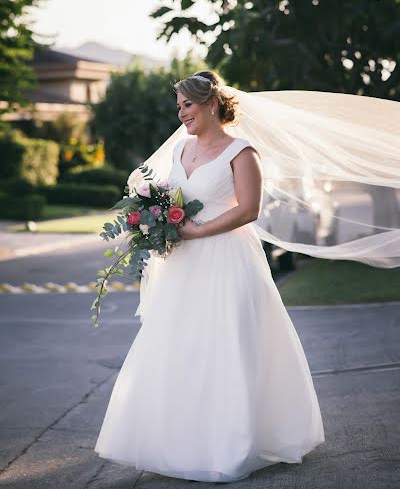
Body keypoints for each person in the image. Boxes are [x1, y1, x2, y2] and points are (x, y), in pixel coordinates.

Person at [94, 70, 325, 482]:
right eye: (179, 106)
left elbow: (249, 209)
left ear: (212, 103)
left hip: (226, 257)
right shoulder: (181, 148)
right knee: (180, 346)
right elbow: (164, 195)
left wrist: (199, 230)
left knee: (226, 345)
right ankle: (179, 443)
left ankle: (231, 444)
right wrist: (153, 220)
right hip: (182, 263)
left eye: (188, 105)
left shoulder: (242, 151)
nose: (182, 113)